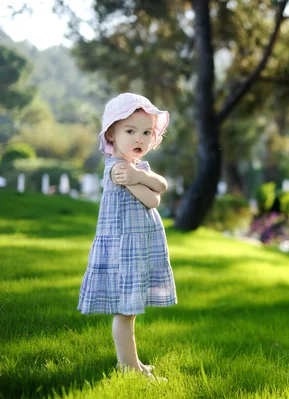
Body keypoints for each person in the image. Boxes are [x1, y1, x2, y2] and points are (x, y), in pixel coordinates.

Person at [77, 93, 177, 381]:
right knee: (126, 311)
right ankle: (129, 367)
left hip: (138, 246)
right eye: (130, 131)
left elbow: (162, 184)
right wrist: (141, 179)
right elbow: (153, 200)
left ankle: (135, 363)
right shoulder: (119, 168)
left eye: (147, 132)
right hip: (124, 248)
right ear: (112, 133)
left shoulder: (137, 167)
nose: (140, 139)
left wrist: (142, 177)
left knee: (130, 310)